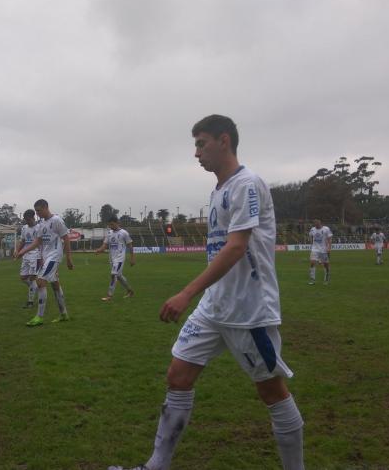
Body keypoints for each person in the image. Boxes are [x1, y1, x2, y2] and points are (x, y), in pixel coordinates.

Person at [108, 115, 304, 470]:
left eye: (201, 144)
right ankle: (156, 466)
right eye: (195, 145)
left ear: (223, 141)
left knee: (271, 391)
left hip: (248, 310)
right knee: (178, 376)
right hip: (214, 307)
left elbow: (236, 247)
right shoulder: (218, 191)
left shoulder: (247, 184)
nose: (196, 153)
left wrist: (186, 293)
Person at [16, 199, 73, 326]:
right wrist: (22, 251)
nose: (37, 213)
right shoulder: (42, 224)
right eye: (36, 211)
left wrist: (69, 258)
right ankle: (64, 314)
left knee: (40, 281)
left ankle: (39, 317)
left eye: (39, 210)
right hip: (46, 257)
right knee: (55, 285)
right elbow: (37, 242)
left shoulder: (57, 220)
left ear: (46, 207)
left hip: (55, 256)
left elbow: (66, 238)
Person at [94, 216, 136, 302]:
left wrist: (132, 258)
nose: (110, 226)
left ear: (117, 223)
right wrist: (99, 250)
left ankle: (109, 296)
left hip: (120, 258)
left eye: (112, 224)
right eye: (109, 225)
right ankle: (130, 291)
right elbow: (105, 245)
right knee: (119, 276)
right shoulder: (109, 233)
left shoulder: (124, 233)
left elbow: (130, 246)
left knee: (113, 275)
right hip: (112, 259)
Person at [16, 209, 41, 308]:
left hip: (36, 255)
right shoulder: (24, 228)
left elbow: (39, 243)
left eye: (28, 219)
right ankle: (35, 287)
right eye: (25, 219)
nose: (26, 221)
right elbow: (22, 241)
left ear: (33, 218)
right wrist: (17, 251)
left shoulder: (39, 227)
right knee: (23, 278)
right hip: (26, 255)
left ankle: (30, 302)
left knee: (32, 278)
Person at [308, 219, 332, 285]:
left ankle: (326, 279)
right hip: (314, 249)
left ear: (320, 223)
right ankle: (312, 279)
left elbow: (329, 238)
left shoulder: (326, 229)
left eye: (317, 223)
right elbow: (310, 236)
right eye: (314, 223)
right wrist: (311, 244)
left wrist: (329, 247)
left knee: (326, 265)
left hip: (323, 250)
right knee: (312, 263)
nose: (315, 225)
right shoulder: (312, 229)